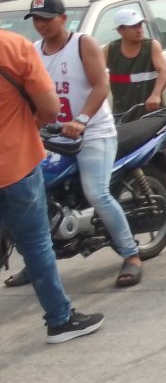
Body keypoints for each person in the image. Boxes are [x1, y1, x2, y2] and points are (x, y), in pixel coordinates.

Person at [25, 0, 143, 287]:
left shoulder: (83, 44)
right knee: (29, 194)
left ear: (63, 18)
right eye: (36, 19)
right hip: (52, 136)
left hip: (93, 133)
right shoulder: (33, 50)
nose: (41, 25)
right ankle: (38, 260)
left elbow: (101, 85)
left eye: (47, 18)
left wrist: (82, 120)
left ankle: (131, 254)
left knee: (97, 193)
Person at [0, 28, 104, 343]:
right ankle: (60, 320)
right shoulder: (13, 46)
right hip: (15, 162)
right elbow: (48, 109)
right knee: (35, 244)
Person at [103, 8, 166, 118]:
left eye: (140, 25)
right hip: (122, 113)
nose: (139, 30)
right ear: (121, 30)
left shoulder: (152, 46)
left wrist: (156, 95)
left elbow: (164, 71)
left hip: (151, 111)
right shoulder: (109, 50)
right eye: (134, 26)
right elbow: (96, 76)